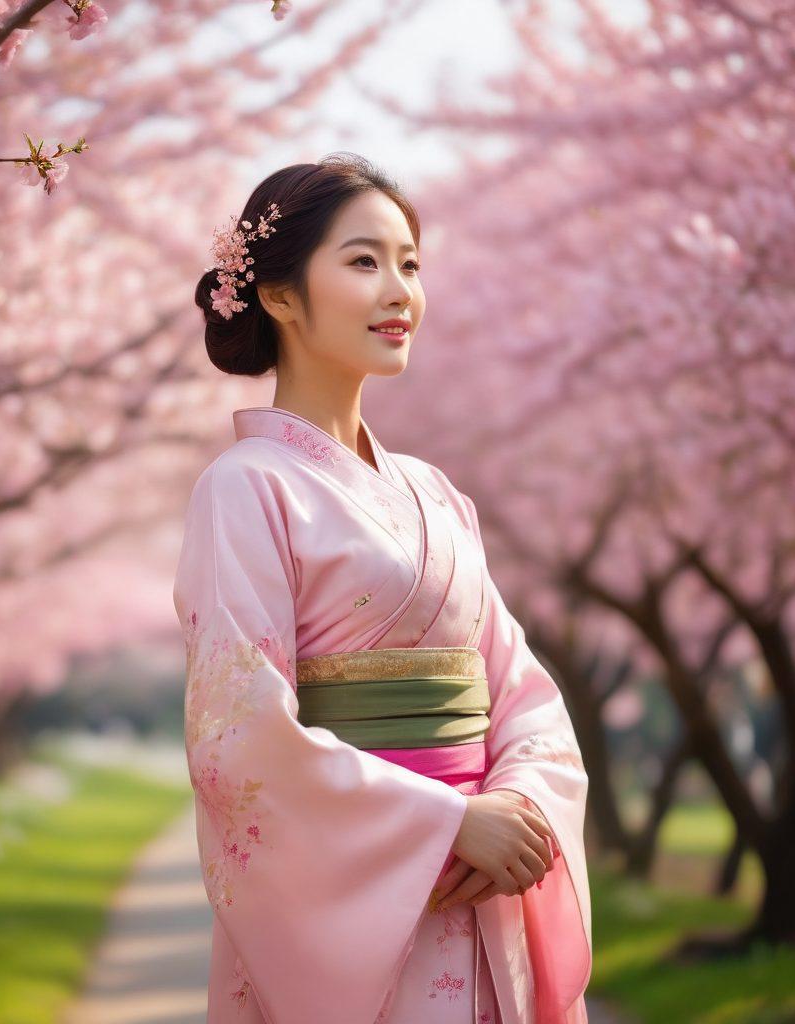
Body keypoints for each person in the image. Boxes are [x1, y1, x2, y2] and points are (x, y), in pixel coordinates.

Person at [173, 152, 592, 1023]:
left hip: (484, 894)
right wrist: (442, 825)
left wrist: (517, 803)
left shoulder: (437, 495)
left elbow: (520, 692)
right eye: (364, 261)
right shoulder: (246, 487)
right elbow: (240, 736)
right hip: (379, 903)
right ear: (281, 296)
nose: (400, 290)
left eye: (410, 263)